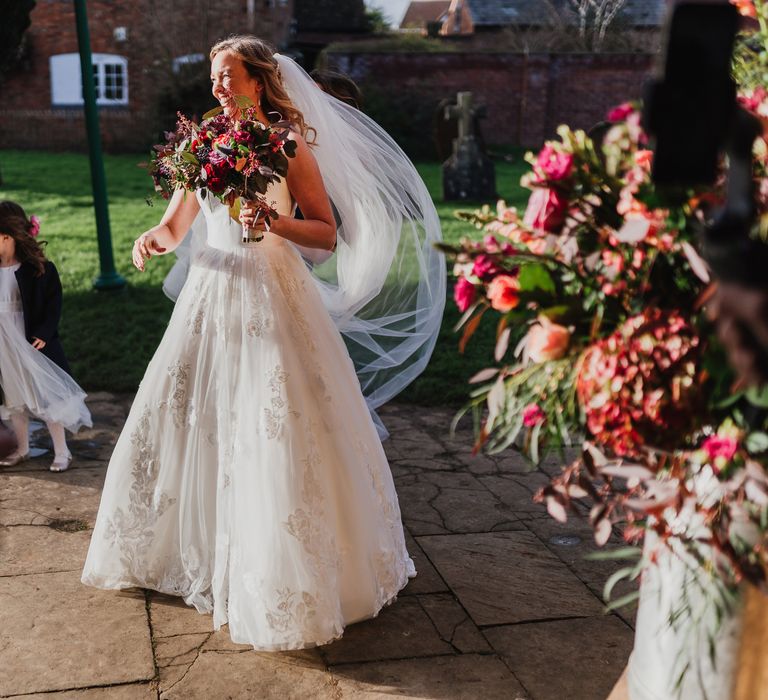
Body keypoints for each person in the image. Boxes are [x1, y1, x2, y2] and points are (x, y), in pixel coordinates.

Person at [82, 36, 445, 651]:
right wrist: (153, 238)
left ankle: (286, 574)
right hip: (210, 292)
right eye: (214, 76)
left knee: (276, 423)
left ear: (258, 80)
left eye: (228, 75)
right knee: (188, 416)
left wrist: (270, 221)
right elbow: (178, 225)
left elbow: (325, 234)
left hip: (273, 293)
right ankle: (183, 548)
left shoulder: (286, 143)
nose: (217, 86)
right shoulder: (201, 141)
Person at [0, 201, 92, 471]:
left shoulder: (37, 269)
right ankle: (23, 448)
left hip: (29, 342)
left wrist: (44, 332)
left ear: (6, 234)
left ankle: (62, 452)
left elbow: (54, 304)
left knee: (47, 396)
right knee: (13, 397)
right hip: (3, 342)